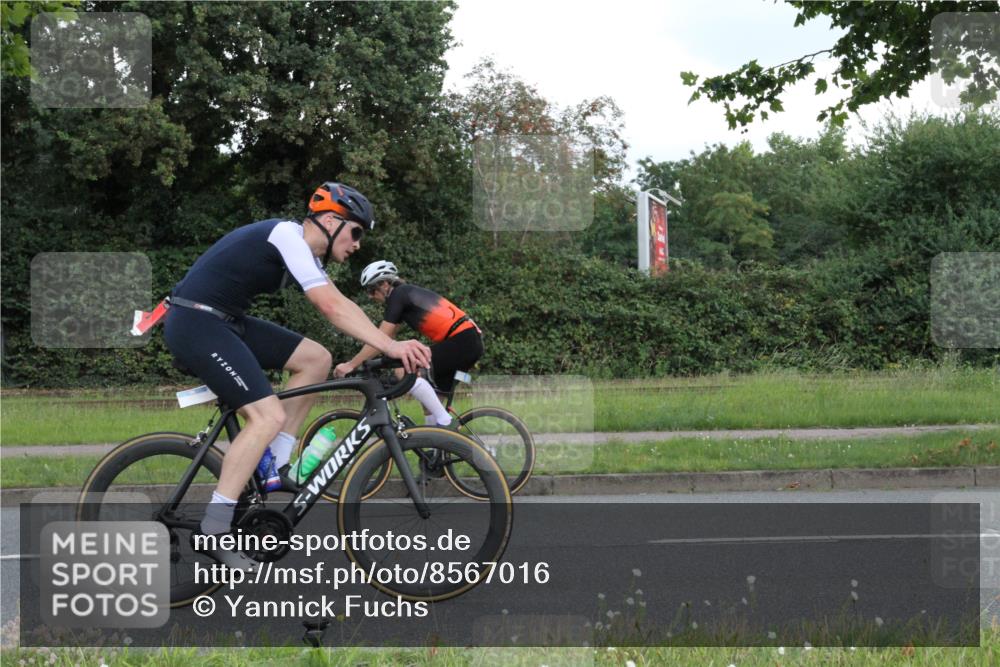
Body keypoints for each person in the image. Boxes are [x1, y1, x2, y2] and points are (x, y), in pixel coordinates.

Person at [163, 184, 430, 568]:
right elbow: (330, 307)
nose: (357, 244)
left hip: (223, 320)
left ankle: (276, 464)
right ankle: (214, 528)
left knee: (316, 358)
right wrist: (391, 347)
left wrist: (384, 346)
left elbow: (343, 305)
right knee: (266, 415)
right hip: (196, 321)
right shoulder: (286, 235)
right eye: (356, 232)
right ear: (329, 220)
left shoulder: (307, 256)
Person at [333, 261, 483, 427]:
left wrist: (351, 365)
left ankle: (446, 423)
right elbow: (385, 343)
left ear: (384, 284)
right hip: (467, 341)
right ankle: (438, 447)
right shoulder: (405, 296)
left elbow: (379, 339)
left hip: (462, 341)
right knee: (429, 403)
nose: (370, 296)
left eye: (371, 289)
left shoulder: (398, 295)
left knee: (404, 367)